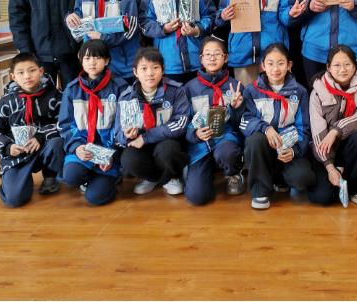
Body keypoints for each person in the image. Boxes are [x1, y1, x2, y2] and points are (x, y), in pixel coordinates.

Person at [0, 53, 63, 207]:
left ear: (41, 71)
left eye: (32, 70)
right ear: (13, 77)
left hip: (44, 148)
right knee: (14, 200)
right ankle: (15, 181)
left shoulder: (56, 96)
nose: (27, 76)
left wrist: (42, 136)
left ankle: (50, 176)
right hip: (17, 154)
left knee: (57, 143)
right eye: (21, 72)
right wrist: (8, 147)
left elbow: (65, 123)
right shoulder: (4, 103)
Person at [241, 43, 315, 210]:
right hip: (263, 146)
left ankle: (279, 178)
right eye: (270, 63)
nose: (275, 69)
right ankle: (260, 191)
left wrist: (294, 150)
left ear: (289, 65)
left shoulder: (300, 92)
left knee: (302, 178)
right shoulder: (252, 90)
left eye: (281, 63)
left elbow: (305, 128)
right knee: (255, 140)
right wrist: (266, 128)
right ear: (263, 66)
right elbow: (245, 120)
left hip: (288, 146)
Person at [59, 40, 128, 206]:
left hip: (109, 152)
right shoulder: (72, 89)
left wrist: (110, 155)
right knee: (71, 176)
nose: (92, 62)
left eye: (97, 58)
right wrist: (77, 147)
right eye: (87, 58)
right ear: (80, 59)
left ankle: (110, 177)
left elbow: (123, 126)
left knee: (96, 198)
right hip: (83, 148)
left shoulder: (120, 87)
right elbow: (65, 124)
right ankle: (88, 174)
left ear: (107, 60)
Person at [115, 48, 190, 197]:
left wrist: (146, 137)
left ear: (163, 70)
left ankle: (172, 176)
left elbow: (181, 123)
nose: (150, 73)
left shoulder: (176, 90)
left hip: (167, 141)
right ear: (135, 72)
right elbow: (118, 133)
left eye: (155, 68)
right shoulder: (126, 97)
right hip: (140, 144)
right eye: (144, 69)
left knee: (168, 151)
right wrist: (126, 135)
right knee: (128, 160)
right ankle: (154, 179)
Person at [306, 45, 357, 206]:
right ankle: (334, 174)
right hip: (324, 149)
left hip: (349, 145)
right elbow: (317, 133)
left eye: (347, 64)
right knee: (323, 198)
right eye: (336, 65)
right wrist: (329, 167)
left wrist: (336, 131)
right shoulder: (318, 91)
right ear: (328, 67)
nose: (342, 69)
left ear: (355, 66)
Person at [183, 36, 246, 205]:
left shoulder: (235, 86)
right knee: (197, 197)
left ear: (225, 58)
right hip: (200, 144)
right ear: (201, 58)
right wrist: (194, 133)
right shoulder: (189, 88)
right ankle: (202, 172)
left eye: (217, 54)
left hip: (226, 139)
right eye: (208, 54)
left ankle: (233, 173)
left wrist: (237, 108)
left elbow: (243, 124)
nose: (212, 58)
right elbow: (182, 120)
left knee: (227, 153)